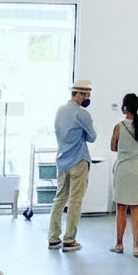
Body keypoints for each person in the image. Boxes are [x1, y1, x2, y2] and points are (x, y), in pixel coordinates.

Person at [47, 79, 96, 252]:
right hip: (78, 160)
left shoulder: (60, 110)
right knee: (75, 201)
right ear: (80, 94)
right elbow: (92, 137)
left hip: (62, 160)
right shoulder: (82, 114)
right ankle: (69, 240)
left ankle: (53, 238)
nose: (88, 99)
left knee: (59, 199)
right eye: (87, 95)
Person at [110, 92, 138, 257]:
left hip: (124, 171)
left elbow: (113, 147)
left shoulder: (119, 126)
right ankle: (136, 246)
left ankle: (119, 244)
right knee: (137, 208)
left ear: (125, 107)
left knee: (121, 207)